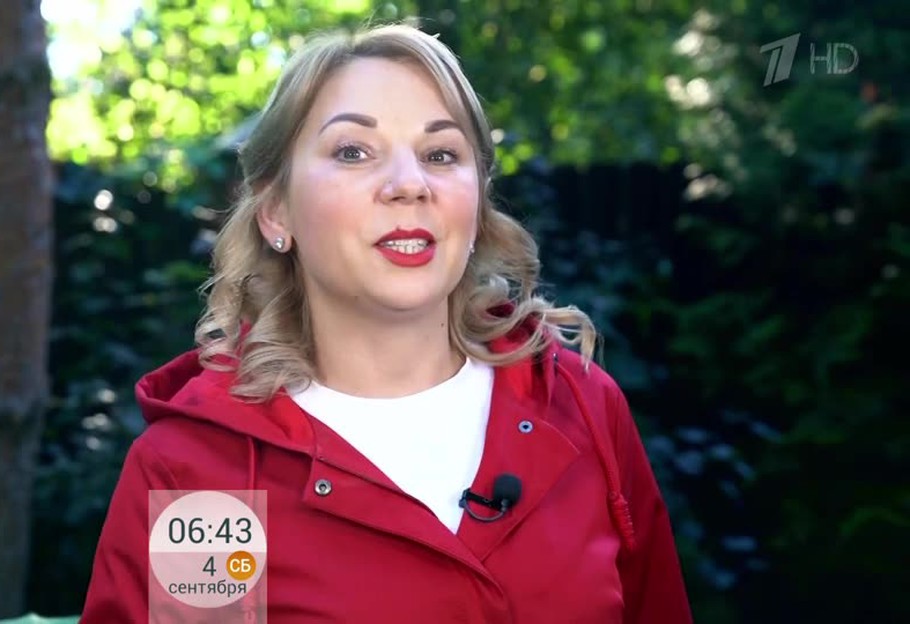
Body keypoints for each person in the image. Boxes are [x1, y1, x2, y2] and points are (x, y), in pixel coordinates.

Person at [81, 22, 693, 624]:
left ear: (477, 204)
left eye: (440, 154)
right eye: (353, 152)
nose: (409, 185)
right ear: (275, 211)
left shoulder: (581, 406)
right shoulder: (199, 474)